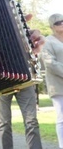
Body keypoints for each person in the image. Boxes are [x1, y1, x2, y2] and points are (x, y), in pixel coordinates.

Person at [0, 14, 45, 149]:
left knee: (31, 121)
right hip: (0, 80)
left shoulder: (19, 24)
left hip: (24, 79)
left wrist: (34, 38)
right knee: (3, 123)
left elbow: (33, 40)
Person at [41, 13, 63, 149]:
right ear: (51, 26)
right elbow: (50, 63)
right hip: (57, 84)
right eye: (58, 22)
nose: (61, 24)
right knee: (62, 118)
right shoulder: (47, 41)